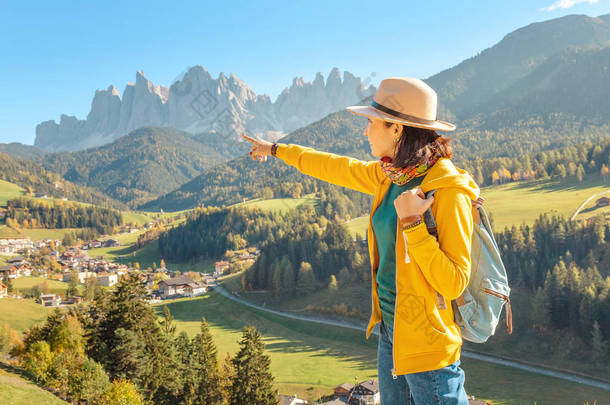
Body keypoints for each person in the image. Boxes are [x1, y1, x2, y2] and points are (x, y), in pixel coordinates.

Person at [242, 77, 480, 404]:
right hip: (390, 334)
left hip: (429, 349)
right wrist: (277, 149)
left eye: (370, 122)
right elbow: (334, 167)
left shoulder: (447, 191)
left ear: (396, 128)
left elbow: (453, 283)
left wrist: (412, 224)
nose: (365, 131)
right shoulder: (391, 176)